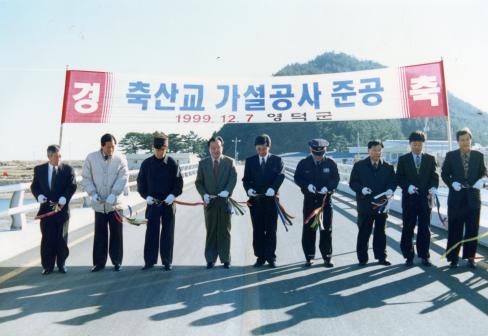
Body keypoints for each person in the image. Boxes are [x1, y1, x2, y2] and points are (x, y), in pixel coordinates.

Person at [441, 128, 487, 268]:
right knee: (455, 230)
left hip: (473, 200)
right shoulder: (451, 156)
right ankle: (453, 257)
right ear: (458, 141)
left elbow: (484, 172)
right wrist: (451, 183)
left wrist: (483, 181)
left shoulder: (478, 155)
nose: (465, 142)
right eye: (462, 140)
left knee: (472, 230)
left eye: (467, 139)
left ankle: (470, 258)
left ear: (470, 140)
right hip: (456, 199)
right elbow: (444, 174)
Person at [82, 134, 128, 272]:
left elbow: (124, 177)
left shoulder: (120, 158)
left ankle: (117, 261)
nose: (111, 150)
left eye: (113, 147)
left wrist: (114, 194)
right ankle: (99, 263)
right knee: (100, 234)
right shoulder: (91, 158)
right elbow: (86, 177)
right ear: (102, 146)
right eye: (109, 147)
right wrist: (92, 193)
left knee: (117, 233)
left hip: (116, 204)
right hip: (99, 205)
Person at [137, 133, 183, 271]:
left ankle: (167, 261)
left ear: (166, 149)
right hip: (153, 203)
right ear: (153, 148)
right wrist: (146, 197)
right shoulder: (146, 164)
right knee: (151, 232)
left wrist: (173, 195)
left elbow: (179, 184)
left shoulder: (172, 163)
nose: (159, 152)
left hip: (168, 203)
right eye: (157, 149)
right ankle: (149, 261)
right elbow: (141, 184)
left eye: (162, 149)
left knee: (168, 232)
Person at [31, 145, 77, 275]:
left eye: (60, 156)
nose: (59, 158)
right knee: (47, 238)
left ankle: (61, 264)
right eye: (57, 156)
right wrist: (38, 195)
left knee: (61, 238)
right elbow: (34, 186)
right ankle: (47, 266)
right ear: (49, 156)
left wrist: (65, 197)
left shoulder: (67, 169)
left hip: (62, 209)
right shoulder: (39, 169)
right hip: (46, 210)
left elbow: (72, 186)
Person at [349, 140, 396, 266]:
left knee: (381, 232)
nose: (377, 152)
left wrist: (391, 189)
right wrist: (361, 189)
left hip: (382, 205)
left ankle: (382, 257)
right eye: (374, 150)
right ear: (368, 150)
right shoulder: (359, 166)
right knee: (364, 231)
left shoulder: (388, 167)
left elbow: (393, 182)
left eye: (379, 150)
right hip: (365, 204)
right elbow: (353, 182)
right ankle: (362, 258)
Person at [294, 138, 339, 267]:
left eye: (321, 154)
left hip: (325, 201)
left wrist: (329, 188)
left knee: (326, 229)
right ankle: (309, 256)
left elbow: (335, 179)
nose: (318, 157)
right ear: (311, 150)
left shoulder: (331, 163)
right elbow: (298, 177)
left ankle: (327, 257)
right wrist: (306, 185)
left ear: (325, 151)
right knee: (309, 228)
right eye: (316, 154)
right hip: (310, 201)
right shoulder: (304, 163)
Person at [396, 131, 439, 267]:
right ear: (410, 144)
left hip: (425, 199)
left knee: (424, 229)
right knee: (408, 227)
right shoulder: (403, 159)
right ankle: (408, 256)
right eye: (414, 144)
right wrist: (407, 186)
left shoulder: (430, 159)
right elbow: (399, 177)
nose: (417, 147)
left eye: (419, 144)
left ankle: (424, 255)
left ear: (423, 144)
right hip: (409, 199)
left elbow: (434, 176)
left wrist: (433, 187)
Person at [242, 134, 285, 268]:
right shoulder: (250, 161)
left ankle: (271, 257)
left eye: (263, 149)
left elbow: (281, 175)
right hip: (256, 201)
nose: (261, 152)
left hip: (271, 200)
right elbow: (246, 179)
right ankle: (260, 257)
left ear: (269, 146)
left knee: (271, 229)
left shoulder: (277, 160)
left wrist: (273, 188)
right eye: (258, 149)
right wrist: (248, 189)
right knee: (258, 229)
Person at [195, 136, 237, 269]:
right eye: (213, 148)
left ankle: (226, 259)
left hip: (224, 202)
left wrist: (228, 191)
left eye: (218, 147)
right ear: (209, 149)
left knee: (224, 230)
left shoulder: (230, 162)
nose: (215, 150)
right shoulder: (203, 164)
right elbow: (199, 182)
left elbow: (233, 178)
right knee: (211, 230)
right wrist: (204, 194)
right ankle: (210, 259)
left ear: (222, 147)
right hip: (210, 202)